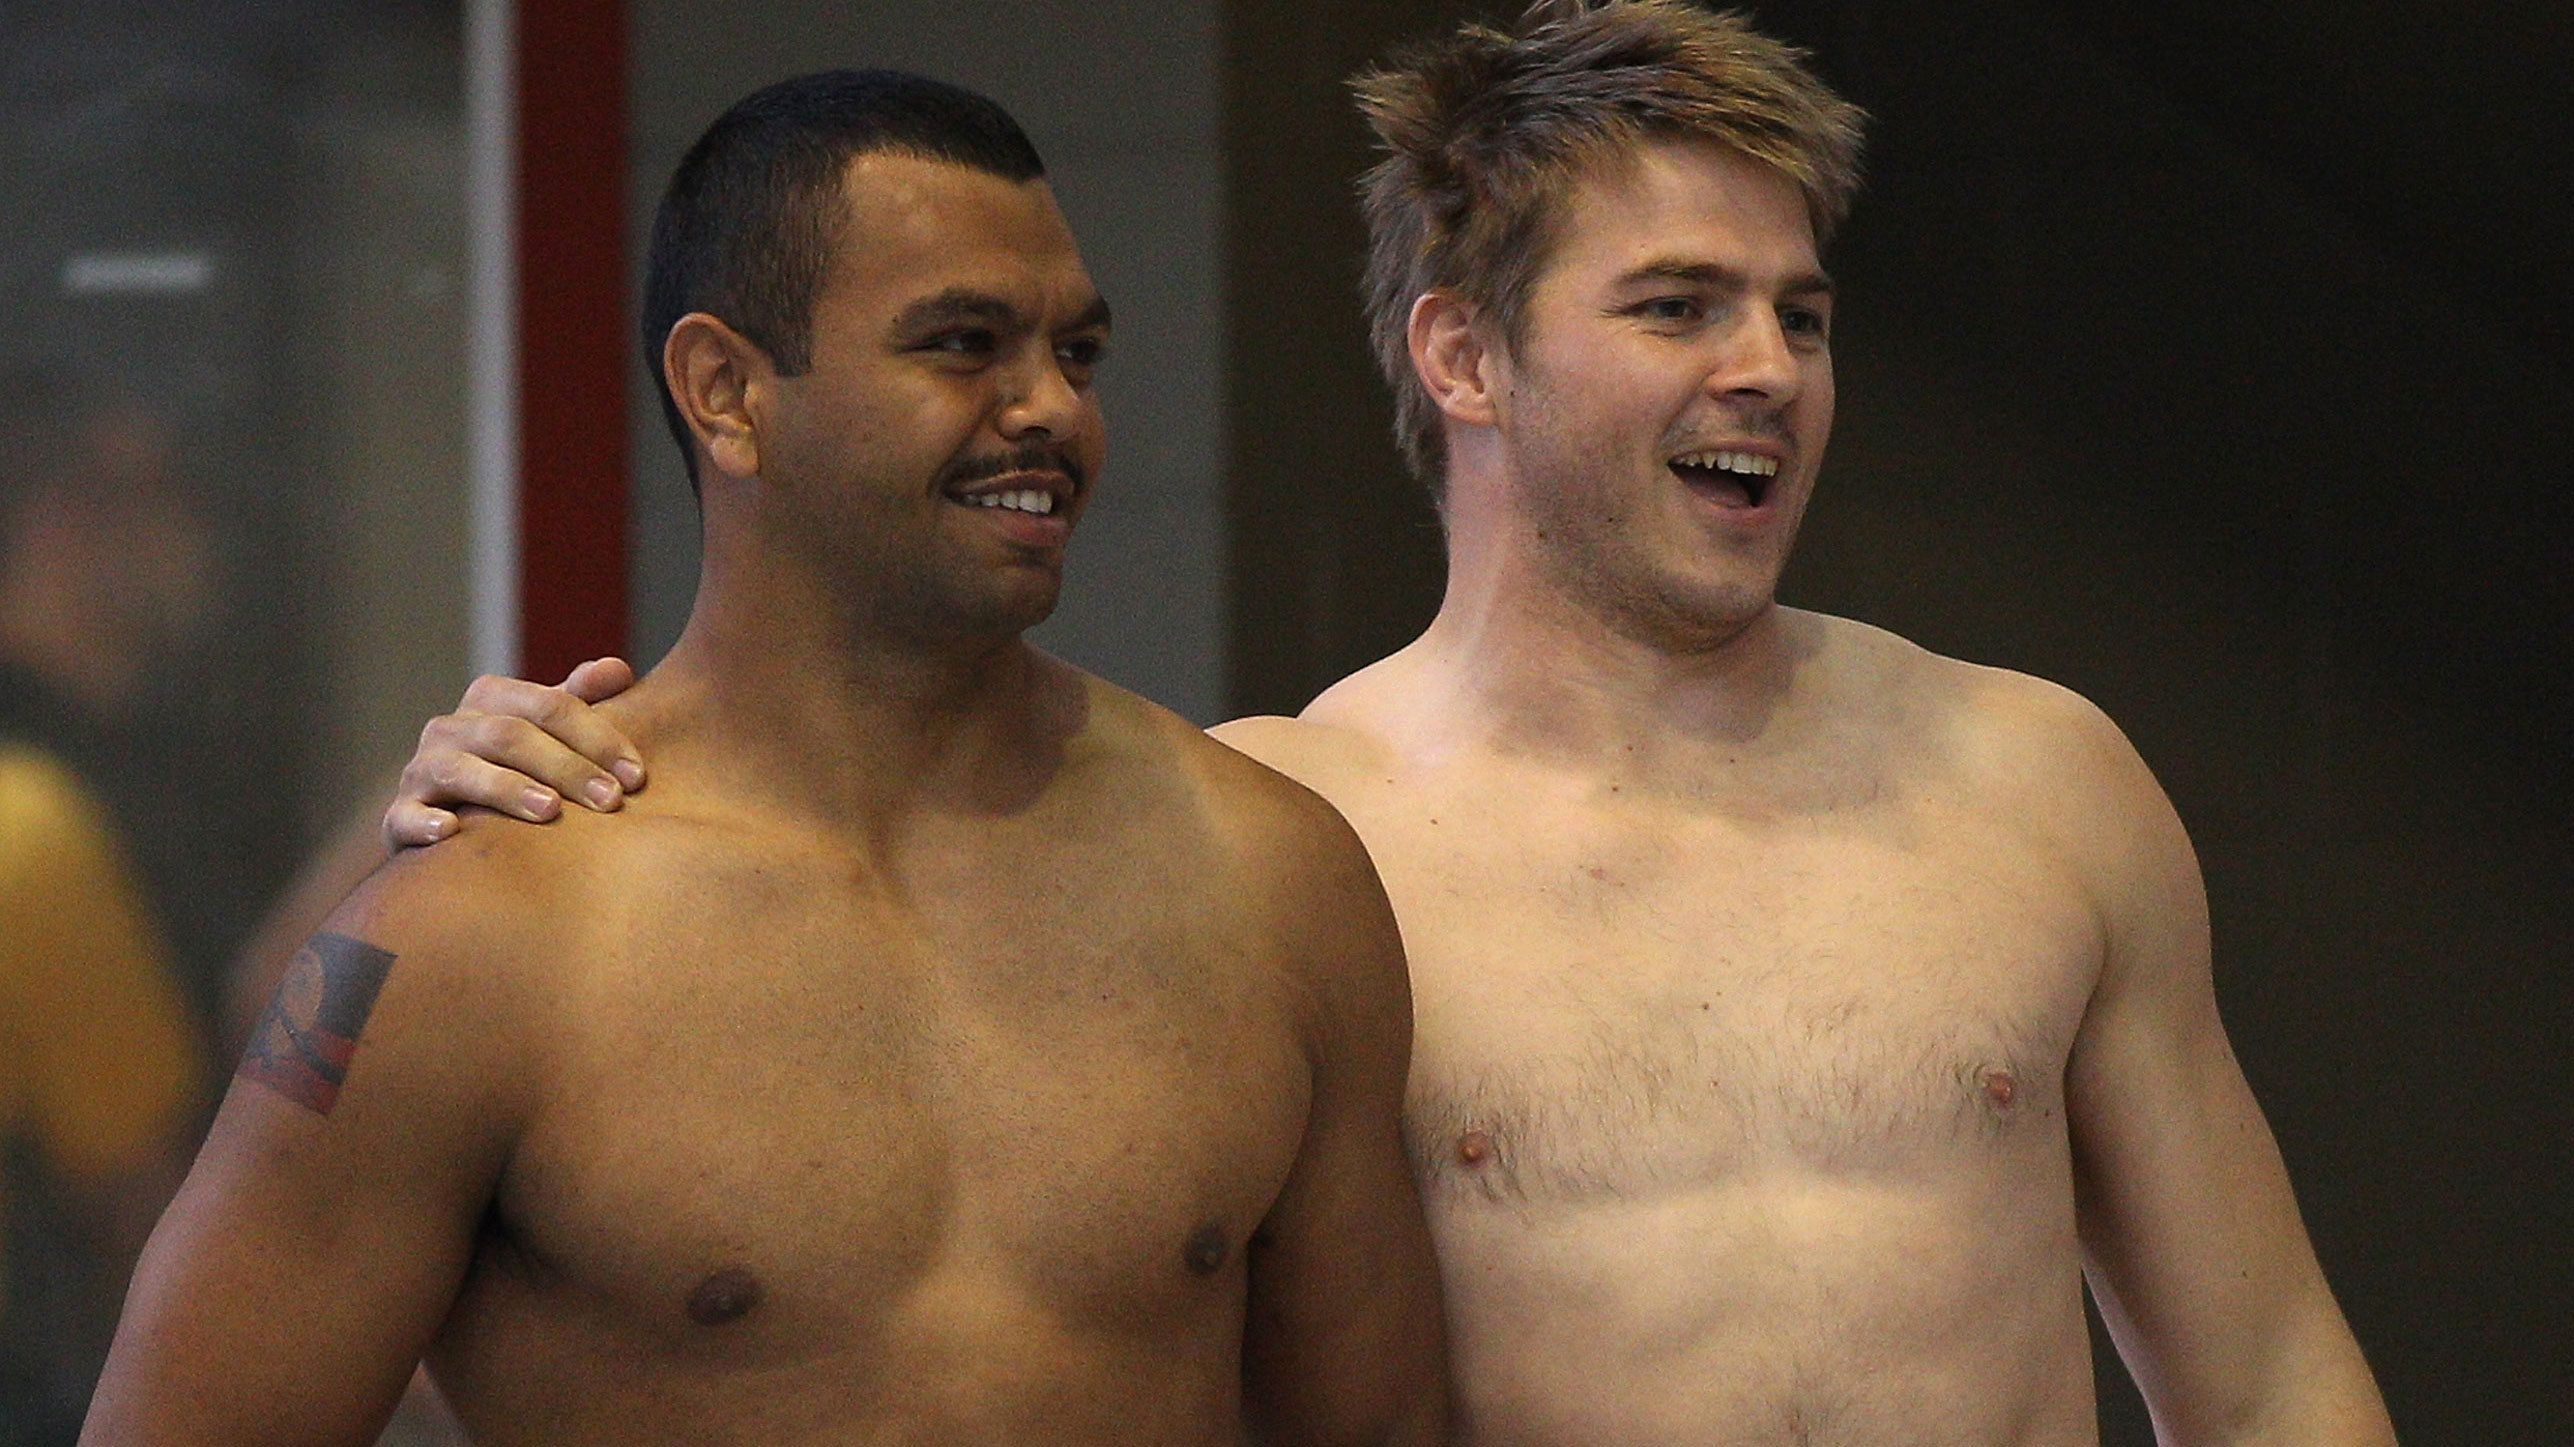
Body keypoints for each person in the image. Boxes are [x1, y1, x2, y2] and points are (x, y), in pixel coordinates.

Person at [388, 3, 2398, 1442]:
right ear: (1464, 352)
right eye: (1681, 304)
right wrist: (508, 778)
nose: (1771, 367)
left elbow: (2265, 1371)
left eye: (1805, 312)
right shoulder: (1255, 841)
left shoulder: (2040, 778)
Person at [84, 70, 1445, 1446]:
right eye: (962, 344)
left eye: (1076, 353)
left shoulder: (1272, 877)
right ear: (725, 392)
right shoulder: (482, 936)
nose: (1048, 408)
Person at [1, 370, 207, 1445]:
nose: (199, 536)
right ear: (62, 522)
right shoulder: (31, 818)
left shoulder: (120, 763)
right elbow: (145, 1224)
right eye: (161, 493)